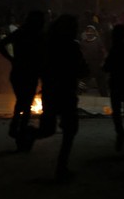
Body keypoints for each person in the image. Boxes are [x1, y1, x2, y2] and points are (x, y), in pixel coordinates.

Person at [36, 14, 89, 182]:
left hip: (51, 92)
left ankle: (23, 134)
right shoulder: (72, 47)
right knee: (69, 130)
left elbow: (41, 67)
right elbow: (83, 70)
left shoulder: (48, 45)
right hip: (66, 93)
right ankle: (61, 167)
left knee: (48, 129)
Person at [0, 10, 45, 149]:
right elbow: (42, 57)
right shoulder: (38, 35)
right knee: (26, 102)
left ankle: (16, 128)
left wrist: (11, 59)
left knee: (22, 101)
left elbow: (1, 44)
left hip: (18, 71)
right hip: (30, 72)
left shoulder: (20, 33)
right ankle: (20, 130)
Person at [79, 25, 108, 96]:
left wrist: (103, 62)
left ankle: (105, 99)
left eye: (91, 31)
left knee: (102, 85)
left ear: (94, 32)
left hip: (97, 65)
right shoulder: (83, 42)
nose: (89, 33)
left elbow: (104, 52)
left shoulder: (98, 41)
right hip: (87, 65)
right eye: (88, 31)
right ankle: (78, 97)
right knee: (82, 82)